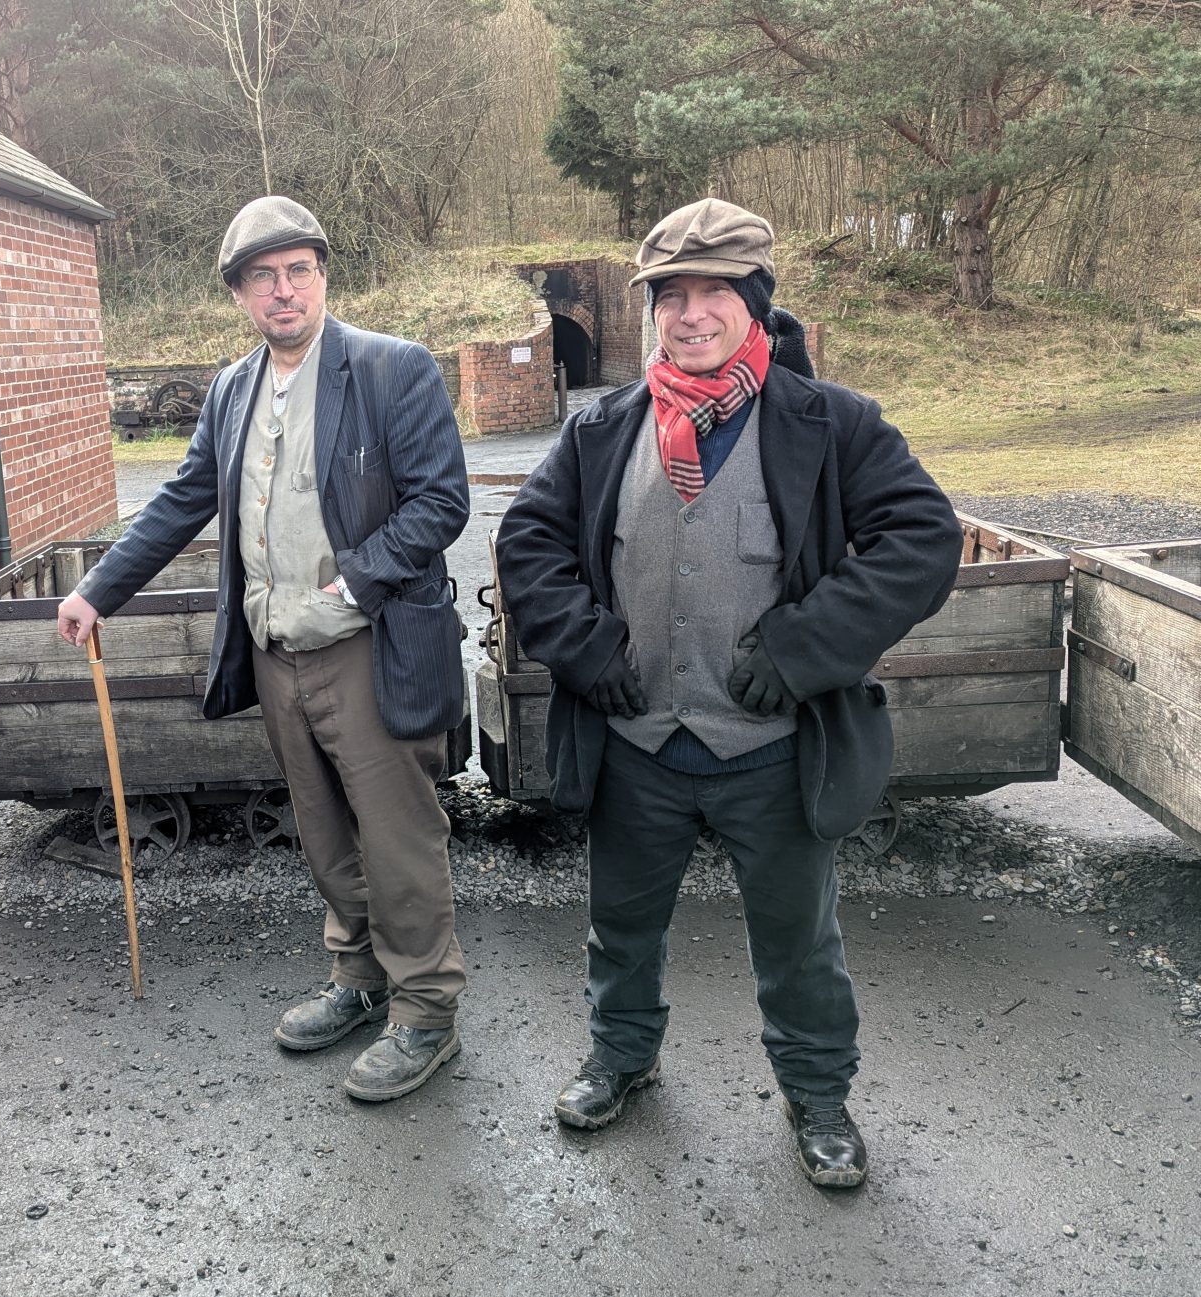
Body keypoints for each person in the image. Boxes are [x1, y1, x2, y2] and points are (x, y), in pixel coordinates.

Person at [495, 198, 962, 1187]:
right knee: (619, 925)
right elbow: (528, 542)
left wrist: (803, 647)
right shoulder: (605, 429)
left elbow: (920, 540)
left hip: (772, 749)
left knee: (798, 945)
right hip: (638, 742)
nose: (689, 311)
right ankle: (619, 1058)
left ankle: (818, 1094)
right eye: (669, 293)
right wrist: (584, 647)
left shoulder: (828, 423)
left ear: (755, 303)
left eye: (713, 290)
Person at [55, 196, 470, 1102]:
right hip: (276, 650)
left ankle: (427, 1012)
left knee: (399, 836)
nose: (284, 291)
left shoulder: (394, 369)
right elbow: (181, 498)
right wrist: (99, 589)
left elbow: (441, 502)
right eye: (263, 277)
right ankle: (359, 979)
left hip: (369, 643)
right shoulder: (235, 388)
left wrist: (355, 581)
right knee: (322, 830)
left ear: (323, 276)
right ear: (240, 294)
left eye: (299, 271)